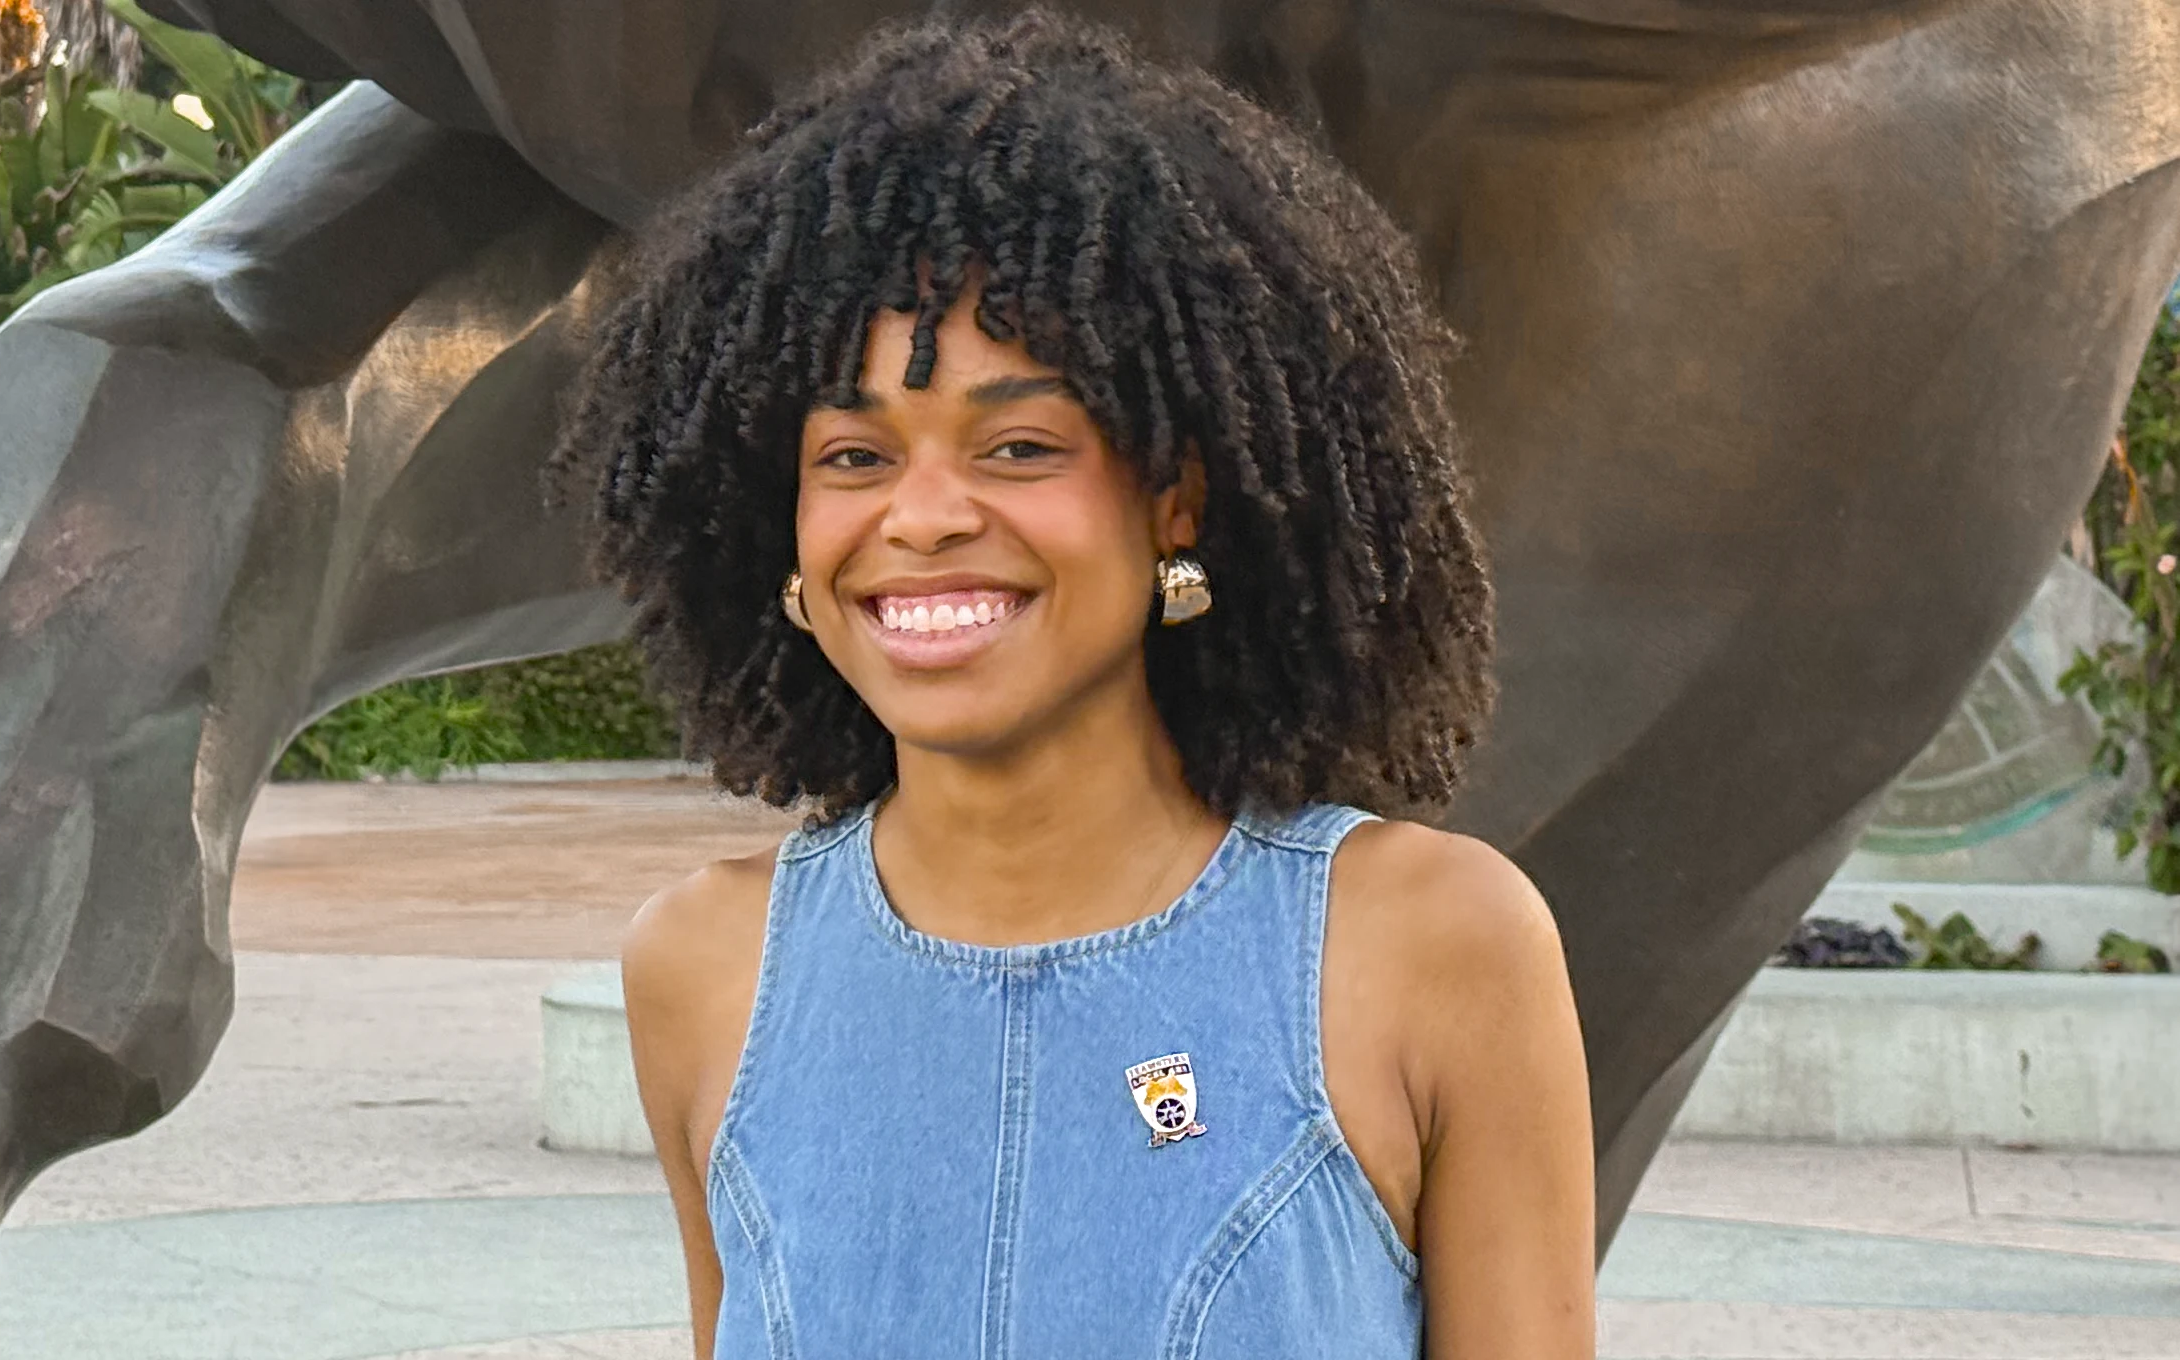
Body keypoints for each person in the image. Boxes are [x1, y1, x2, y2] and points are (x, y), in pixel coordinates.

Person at [549, 10, 1595, 1356]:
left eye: (1020, 445)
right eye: (854, 458)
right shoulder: (705, 970)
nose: (919, 517)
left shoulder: (1429, 944)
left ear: (1176, 498)